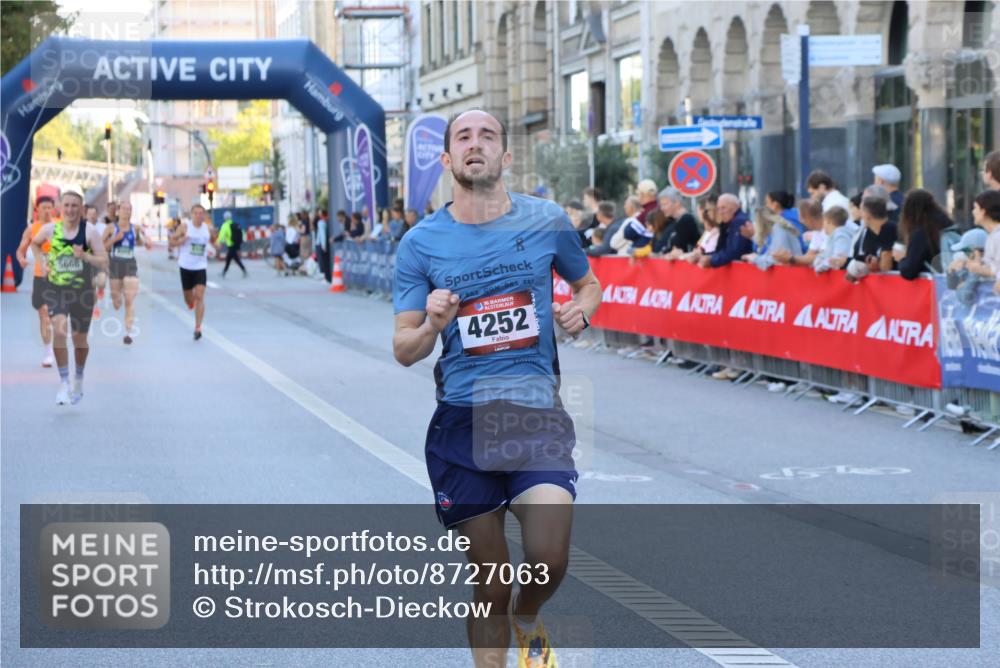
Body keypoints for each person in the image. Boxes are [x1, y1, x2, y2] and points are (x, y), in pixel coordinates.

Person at [392, 108, 601, 668]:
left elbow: (589, 284)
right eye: (463, 136)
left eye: (488, 135)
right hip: (462, 423)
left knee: (547, 558)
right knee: (490, 581)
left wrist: (580, 312)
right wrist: (432, 325)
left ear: (506, 157)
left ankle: (528, 617)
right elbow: (403, 349)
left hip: (534, 415)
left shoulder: (547, 221)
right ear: (447, 160)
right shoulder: (420, 244)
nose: (475, 143)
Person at [30, 190, 109, 405]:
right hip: (56, 289)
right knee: (59, 327)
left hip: (82, 292)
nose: (71, 210)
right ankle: (64, 381)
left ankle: (79, 378)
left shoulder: (89, 232)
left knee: (79, 340)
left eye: (75, 206)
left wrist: (85, 255)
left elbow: (103, 261)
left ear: (82, 209)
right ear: (60, 207)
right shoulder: (50, 229)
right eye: (67, 205)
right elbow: (34, 243)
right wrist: (42, 262)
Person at [16, 195, 57, 367]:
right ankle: (48, 352)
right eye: (44, 207)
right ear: (37, 210)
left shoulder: (60, 227)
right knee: (44, 317)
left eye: (50, 207)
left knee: (55, 318)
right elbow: (20, 251)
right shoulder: (31, 229)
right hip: (40, 278)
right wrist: (21, 260)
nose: (47, 211)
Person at [102, 201, 151, 344]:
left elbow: (142, 243)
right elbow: (100, 246)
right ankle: (117, 299)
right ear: (118, 211)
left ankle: (128, 332)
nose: (127, 211)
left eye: (129, 209)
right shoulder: (111, 228)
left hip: (130, 264)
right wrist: (114, 239)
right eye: (124, 209)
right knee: (117, 302)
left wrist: (144, 240)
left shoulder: (135, 228)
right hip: (115, 264)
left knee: (129, 299)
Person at [169, 204, 216, 340]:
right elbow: (172, 243)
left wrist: (216, 245)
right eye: (196, 213)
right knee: (189, 299)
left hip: (201, 267)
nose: (199, 215)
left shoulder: (207, 228)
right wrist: (182, 240)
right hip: (185, 266)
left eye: (201, 213)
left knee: (200, 296)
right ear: (191, 214)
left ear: (204, 215)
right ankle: (190, 303)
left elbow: (213, 240)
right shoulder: (185, 227)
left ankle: (198, 328)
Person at [895, 189, 952, 280]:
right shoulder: (945, 225)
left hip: (933, 284)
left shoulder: (921, 234)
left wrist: (902, 259)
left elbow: (910, 270)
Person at [845, 196, 897, 283]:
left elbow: (886, 266)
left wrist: (877, 266)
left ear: (867, 214)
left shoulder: (891, 230)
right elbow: (868, 259)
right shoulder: (869, 232)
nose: (860, 215)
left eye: (861, 210)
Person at [699, 193, 751, 268]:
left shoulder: (738, 221)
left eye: (723, 208)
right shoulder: (727, 223)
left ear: (734, 207)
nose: (720, 212)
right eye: (718, 208)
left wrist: (712, 260)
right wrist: (706, 256)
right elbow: (721, 249)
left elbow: (733, 252)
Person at [655, 187, 700, 258]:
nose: (662, 208)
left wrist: (661, 255)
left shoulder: (686, 220)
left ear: (677, 203)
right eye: (661, 205)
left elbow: (678, 247)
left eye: (665, 204)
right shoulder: (674, 221)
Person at [813, 207, 854, 273]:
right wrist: (818, 261)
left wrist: (822, 267)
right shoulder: (831, 237)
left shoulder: (841, 236)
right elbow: (826, 254)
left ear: (829, 222)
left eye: (824, 221)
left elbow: (838, 258)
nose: (823, 225)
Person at [216, 211, 247, 278]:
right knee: (232, 259)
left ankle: (224, 273)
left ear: (224, 218)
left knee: (230, 259)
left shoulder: (225, 225)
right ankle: (224, 272)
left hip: (231, 245)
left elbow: (221, 236)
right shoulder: (235, 224)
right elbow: (242, 233)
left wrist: (217, 242)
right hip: (236, 244)